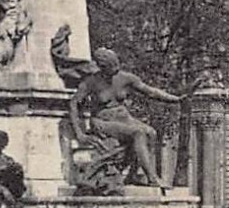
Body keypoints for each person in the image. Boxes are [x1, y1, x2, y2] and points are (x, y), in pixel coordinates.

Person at [68, 47, 181, 189]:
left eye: (117, 66)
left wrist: (174, 99)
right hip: (103, 121)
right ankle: (152, 178)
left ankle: (134, 174)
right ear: (102, 67)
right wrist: (79, 133)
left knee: (151, 132)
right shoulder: (91, 82)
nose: (115, 70)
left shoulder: (126, 78)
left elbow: (150, 91)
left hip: (123, 118)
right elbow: (73, 103)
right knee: (138, 133)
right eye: (111, 67)